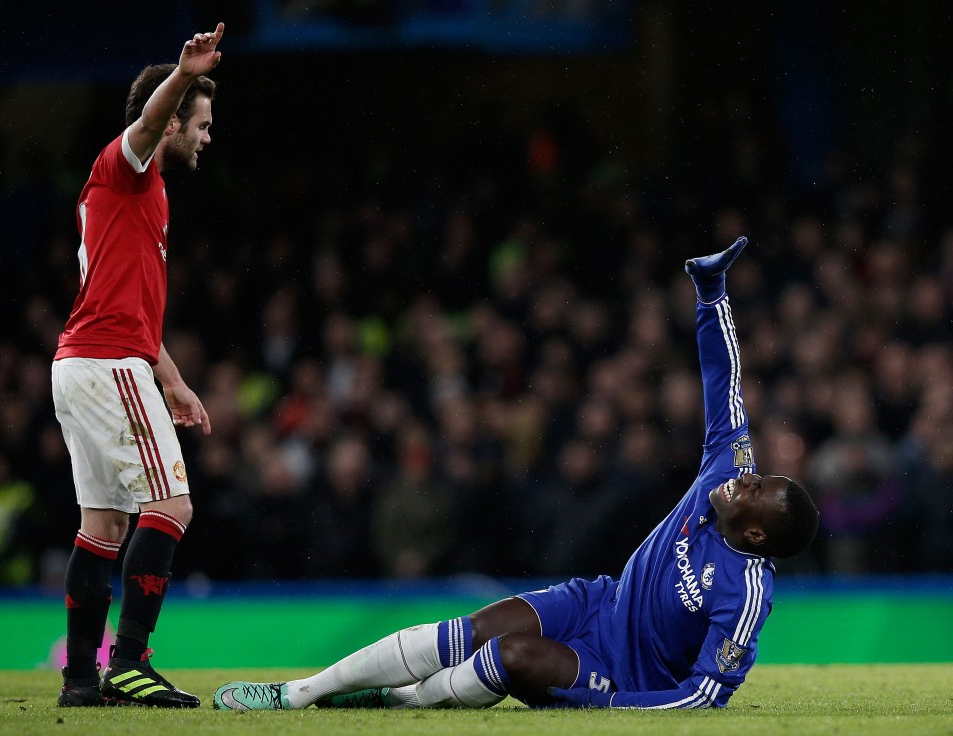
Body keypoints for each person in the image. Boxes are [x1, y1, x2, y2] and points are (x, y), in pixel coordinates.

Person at [213, 236, 820, 711]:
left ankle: (397, 698)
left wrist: (618, 706)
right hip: (597, 603)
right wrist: (712, 293)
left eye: (756, 491)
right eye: (757, 476)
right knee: (472, 629)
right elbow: (725, 382)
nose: (747, 477)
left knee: (510, 655)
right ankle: (300, 692)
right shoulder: (726, 464)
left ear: (759, 534)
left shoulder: (745, 594)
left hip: (620, 675)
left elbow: (704, 695)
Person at [52, 22, 224, 708]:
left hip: (88, 363)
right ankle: (130, 662)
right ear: (172, 119)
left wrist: (174, 379)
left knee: (104, 526)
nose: (208, 136)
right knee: (173, 504)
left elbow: (128, 307)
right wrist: (182, 75)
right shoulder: (126, 165)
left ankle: (80, 680)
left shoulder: (139, 197)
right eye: (201, 123)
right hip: (107, 366)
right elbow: (149, 120)